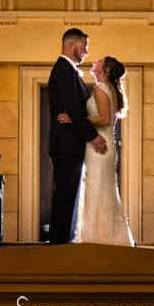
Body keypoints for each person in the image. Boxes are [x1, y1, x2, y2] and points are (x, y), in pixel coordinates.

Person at [59, 55, 135, 246]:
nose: (95, 61)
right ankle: (107, 235)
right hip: (104, 146)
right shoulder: (109, 89)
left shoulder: (101, 89)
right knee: (101, 188)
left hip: (100, 147)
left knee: (97, 187)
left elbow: (105, 119)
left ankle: (99, 237)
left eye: (100, 60)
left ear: (106, 70)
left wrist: (74, 119)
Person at [46, 28, 106, 244]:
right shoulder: (64, 69)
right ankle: (58, 244)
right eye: (84, 46)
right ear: (72, 45)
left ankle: (62, 241)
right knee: (64, 194)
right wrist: (93, 136)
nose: (87, 51)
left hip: (69, 144)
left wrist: (74, 118)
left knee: (67, 194)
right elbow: (73, 106)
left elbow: (75, 111)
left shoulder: (69, 71)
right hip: (66, 145)